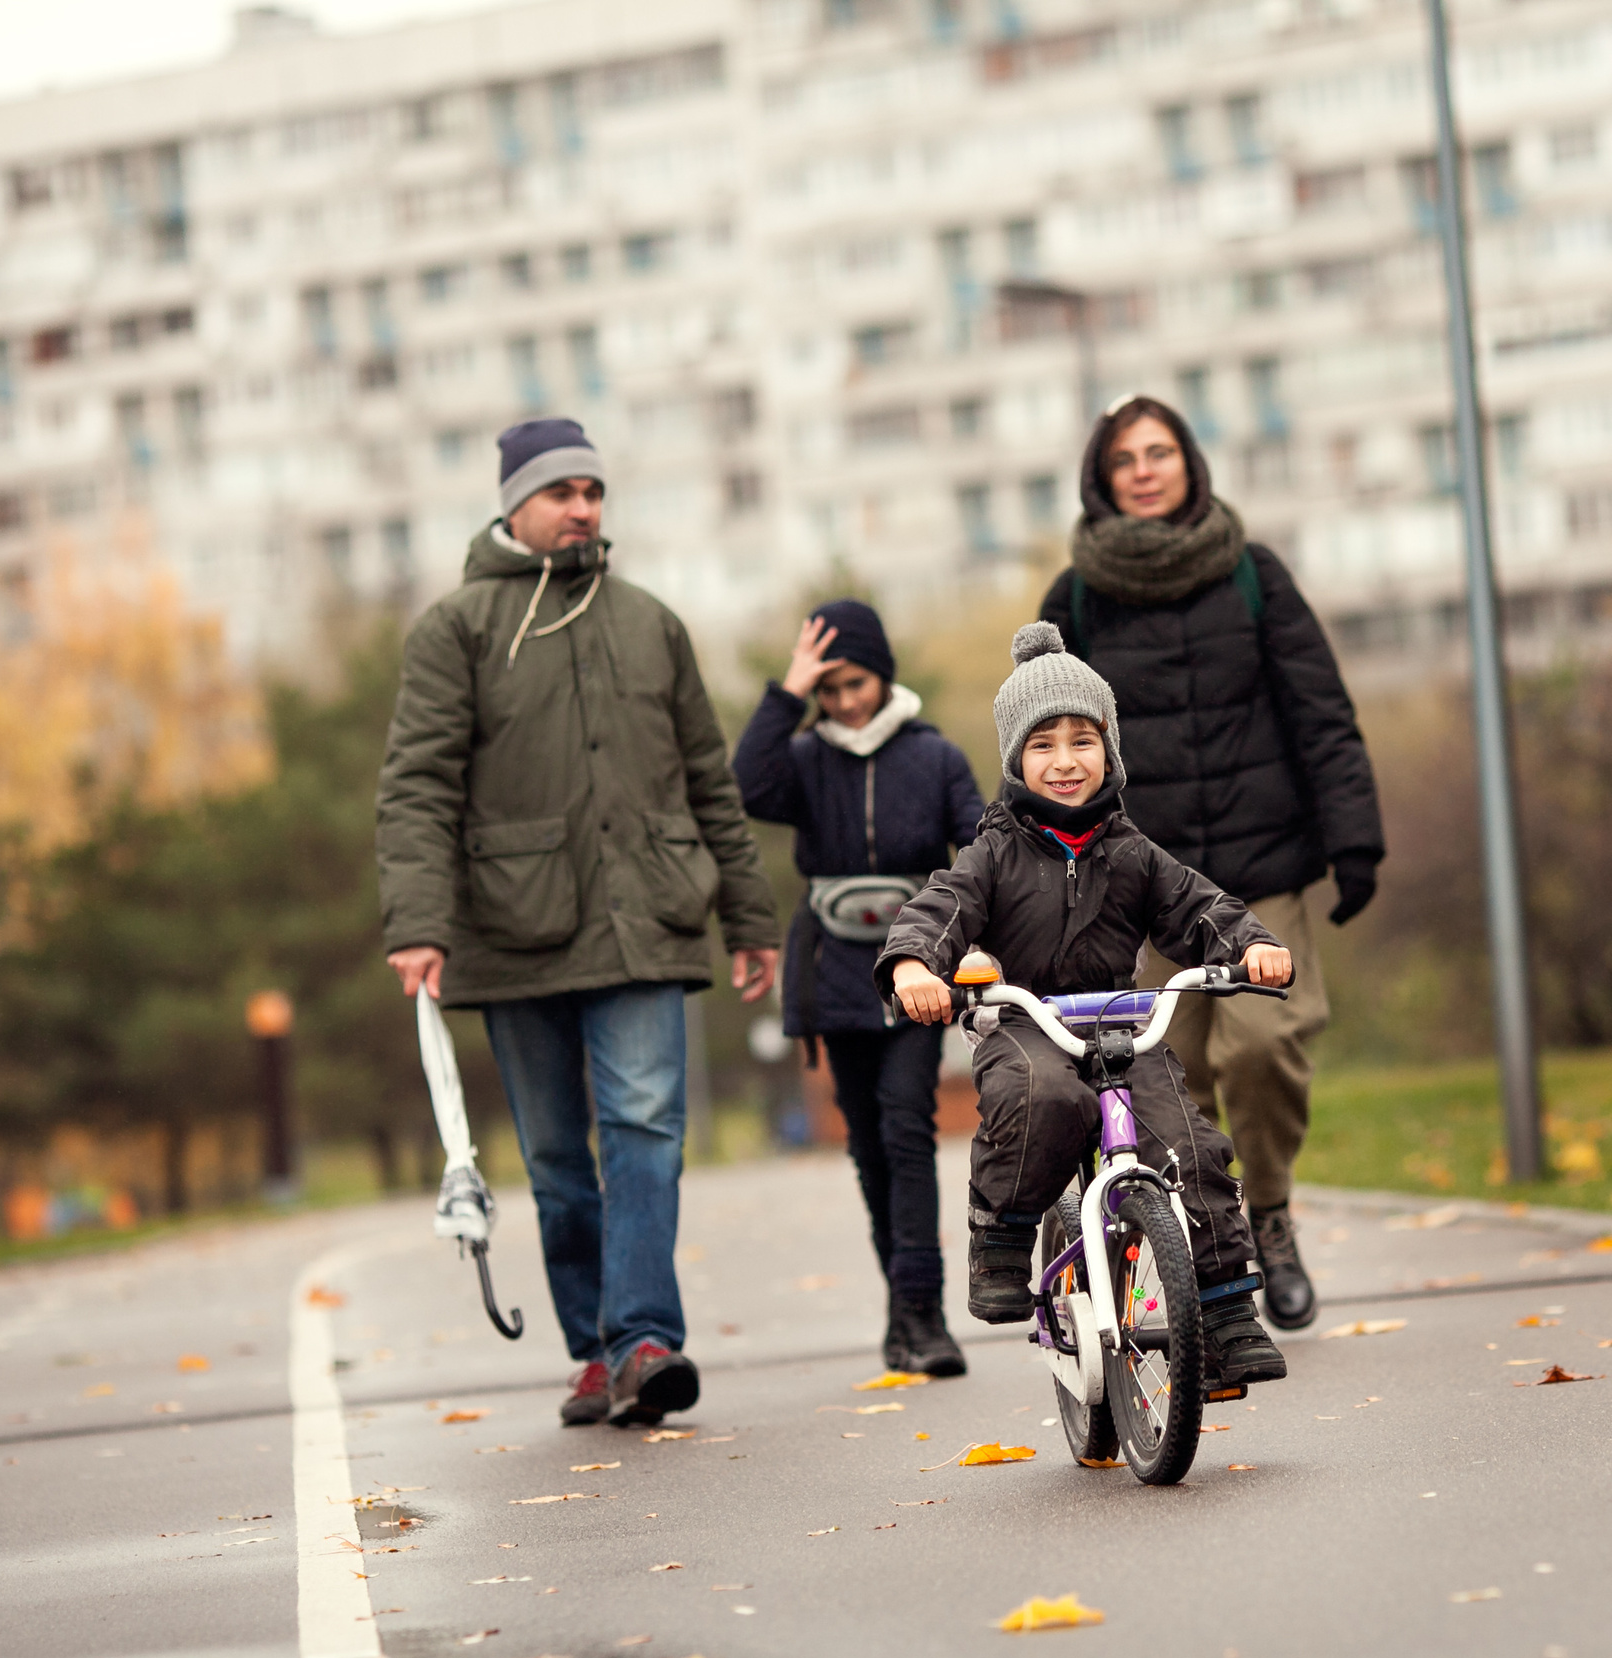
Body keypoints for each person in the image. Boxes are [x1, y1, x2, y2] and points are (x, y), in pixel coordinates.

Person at [376, 417, 780, 1430]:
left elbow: (707, 783)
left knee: (644, 1127)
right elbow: (417, 787)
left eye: (593, 492)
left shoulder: (649, 621)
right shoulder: (456, 629)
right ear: (514, 504)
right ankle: (596, 1350)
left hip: (649, 916)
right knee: (558, 1159)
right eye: (562, 492)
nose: (583, 508)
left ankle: (644, 1339)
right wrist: (418, 922)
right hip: (513, 930)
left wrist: (750, 916)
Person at [1037, 396, 1383, 1332]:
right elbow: (1039, 748)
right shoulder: (1075, 599)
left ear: (1189, 463)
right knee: (1169, 1073)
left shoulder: (1252, 574)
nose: (1145, 469)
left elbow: (1322, 713)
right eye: (1126, 459)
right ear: (1102, 479)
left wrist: (1354, 838)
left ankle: (1269, 1217)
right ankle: (1202, 1254)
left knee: (1267, 1043)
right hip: (1137, 885)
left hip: (1262, 866)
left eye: (1161, 452)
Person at [878, 623, 1291, 1394]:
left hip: (1123, 1027)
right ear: (1014, 760)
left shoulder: (1133, 851)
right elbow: (938, 908)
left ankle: (1228, 1313)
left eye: (1082, 740)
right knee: (1042, 1096)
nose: (1065, 762)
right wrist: (913, 964)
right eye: (1042, 745)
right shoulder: (993, 852)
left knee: (1192, 1149)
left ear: (1110, 751)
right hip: (1026, 1025)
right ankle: (1001, 1234)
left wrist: (1252, 946)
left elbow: (1202, 909)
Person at [732, 599, 984, 1377]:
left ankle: (927, 1314)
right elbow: (745, 785)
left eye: (856, 683)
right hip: (831, 968)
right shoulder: (804, 758)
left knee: (907, 1123)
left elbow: (979, 845)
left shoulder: (935, 756)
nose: (844, 701)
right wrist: (787, 691)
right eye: (830, 688)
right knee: (868, 1141)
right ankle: (900, 1307)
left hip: (917, 962)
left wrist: (979, 942)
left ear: (883, 673)